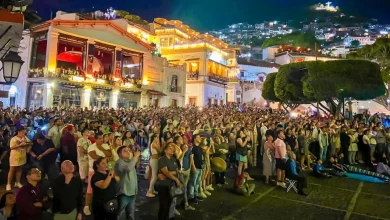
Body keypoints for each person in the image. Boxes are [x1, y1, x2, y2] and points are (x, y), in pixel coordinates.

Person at [84, 133, 112, 216]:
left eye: (101, 138)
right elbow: (96, 157)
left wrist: (101, 149)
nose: (101, 140)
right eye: (99, 138)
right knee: (90, 190)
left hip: (105, 170)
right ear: (95, 139)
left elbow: (110, 154)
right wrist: (105, 156)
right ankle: (86, 206)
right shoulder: (91, 147)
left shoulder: (105, 146)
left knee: (105, 188)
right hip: (93, 171)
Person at [155, 143, 182, 220]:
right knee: (163, 205)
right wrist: (176, 178)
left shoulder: (173, 159)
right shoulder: (162, 159)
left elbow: (176, 171)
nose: (172, 149)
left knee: (169, 204)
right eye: (170, 148)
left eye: (173, 148)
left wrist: (170, 173)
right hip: (163, 185)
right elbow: (165, 172)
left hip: (171, 185)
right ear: (165, 150)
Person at [115, 146, 140, 220]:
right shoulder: (119, 162)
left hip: (132, 192)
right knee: (120, 213)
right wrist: (135, 157)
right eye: (125, 151)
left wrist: (137, 158)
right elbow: (128, 168)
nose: (128, 152)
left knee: (130, 213)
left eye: (128, 150)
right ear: (120, 154)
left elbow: (136, 165)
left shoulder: (129, 161)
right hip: (124, 192)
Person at [7, 126, 31, 191]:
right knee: (12, 170)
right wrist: (20, 145)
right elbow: (11, 147)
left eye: (24, 133)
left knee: (19, 169)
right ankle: (8, 183)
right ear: (19, 132)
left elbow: (30, 142)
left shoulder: (25, 137)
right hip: (15, 156)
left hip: (22, 155)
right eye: (22, 132)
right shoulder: (13, 139)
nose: (23, 134)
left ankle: (17, 182)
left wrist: (27, 145)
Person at [189, 134, 204, 204]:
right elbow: (191, 158)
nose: (200, 138)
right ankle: (191, 197)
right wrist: (193, 167)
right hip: (195, 167)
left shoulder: (200, 147)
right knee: (192, 183)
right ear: (194, 139)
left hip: (200, 167)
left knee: (197, 182)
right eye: (198, 137)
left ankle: (196, 195)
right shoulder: (193, 148)